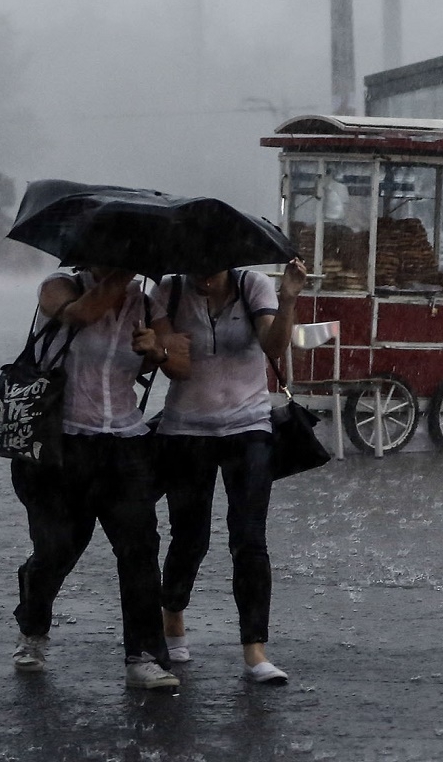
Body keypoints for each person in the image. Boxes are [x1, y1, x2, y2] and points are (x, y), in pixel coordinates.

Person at [10, 265, 189, 690]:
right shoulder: (59, 287)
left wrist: (156, 351)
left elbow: (181, 363)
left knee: (139, 548)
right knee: (56, 549)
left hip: (125, 442)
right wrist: (119, 279)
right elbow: (82, 314)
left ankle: (144, 655)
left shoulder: (147, 303)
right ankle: (33, 628)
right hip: (60, 443)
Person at [150, 258, 307, 685]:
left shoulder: (253, 286)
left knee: (250, 539)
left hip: (249, 427)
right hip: (185, 429)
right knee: (189, 536)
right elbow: (177, 370)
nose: (205, 276)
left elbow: (273, 347)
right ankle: (173, 619)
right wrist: (161, 348)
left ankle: (255, 650)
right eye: (198, 265)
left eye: (214, 268)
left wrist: (289, 297)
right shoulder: (170, 290)